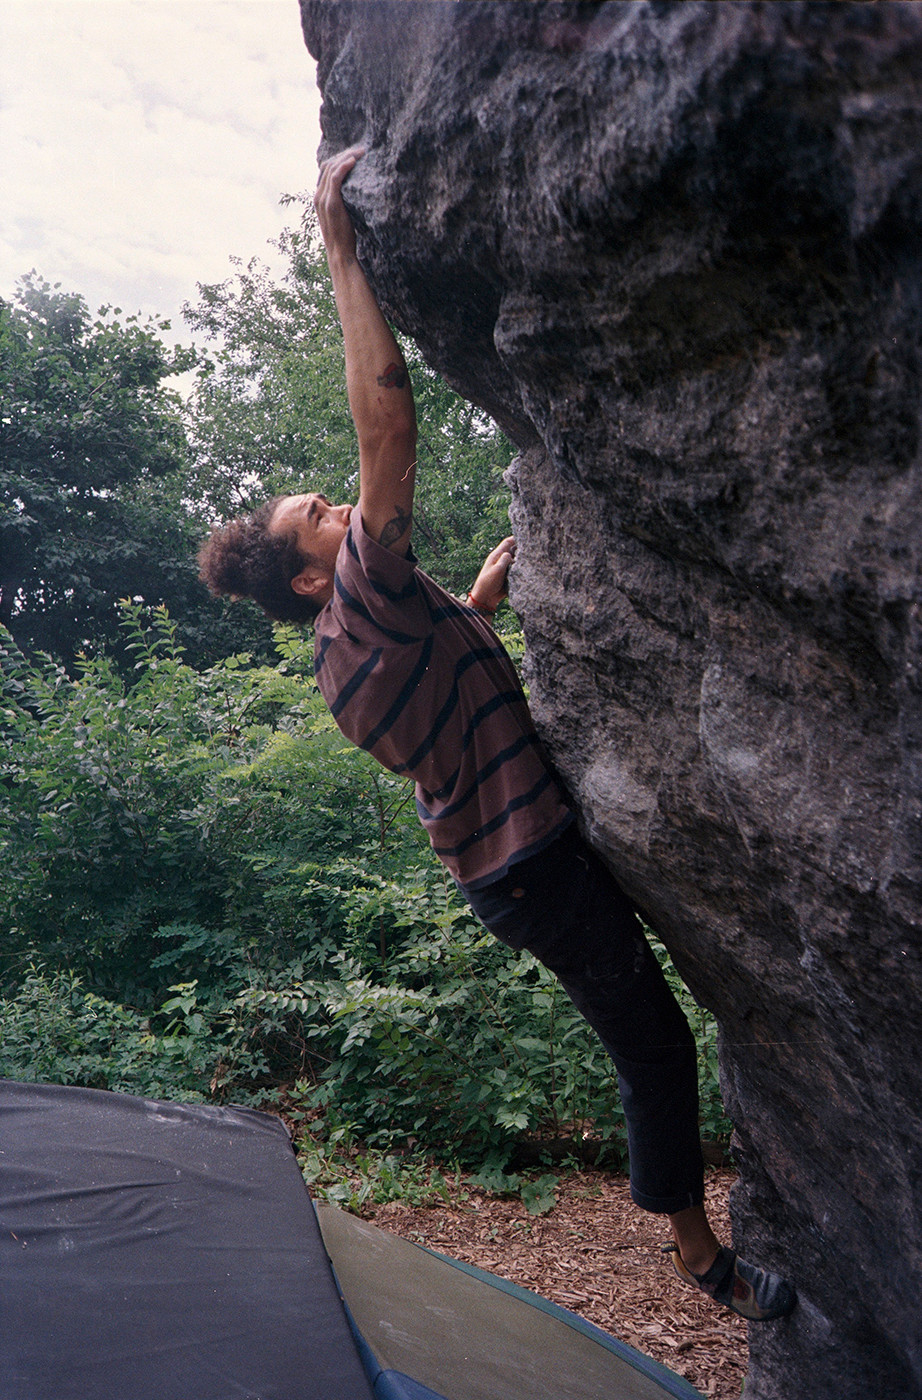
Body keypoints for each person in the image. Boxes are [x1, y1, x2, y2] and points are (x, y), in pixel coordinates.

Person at [198, 147, 795, 1323]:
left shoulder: (363, 637)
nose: (334, 501)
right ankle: (696, 1255)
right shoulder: (362, 605)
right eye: (318, 517)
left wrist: (473, 607)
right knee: (653, 1042)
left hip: (510, 862)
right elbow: (388, 419)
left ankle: (695, 1230)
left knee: (663, 1017)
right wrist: (338, 242)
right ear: (319, 580)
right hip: (532, 865)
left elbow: (435, 711)